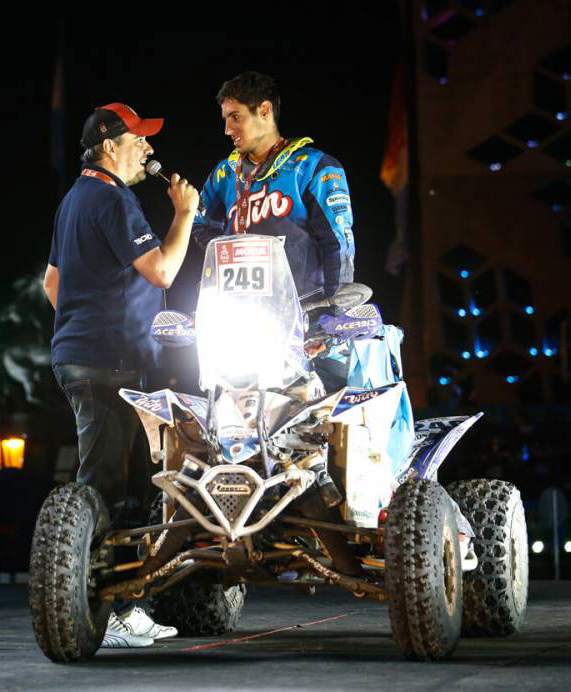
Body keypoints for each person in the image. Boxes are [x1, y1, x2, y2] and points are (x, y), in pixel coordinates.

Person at [43, 103, 198, 649]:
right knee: (106, 491)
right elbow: (162, 271)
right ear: (110, 146)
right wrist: (184, 214)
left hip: (86, 356)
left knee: (123, 485)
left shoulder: (74, 198)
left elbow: (52, 284)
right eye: (140, 140)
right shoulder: (113, 197)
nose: (149, 149)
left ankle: (122, 606)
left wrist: (84, 323)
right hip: (111, 363)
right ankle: (101, 612)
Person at [193, 71, 355, 302]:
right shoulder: (224, 172)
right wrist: (225, 253)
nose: (227, 129)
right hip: (237, 309)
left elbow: (338, 242)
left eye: (235, 117)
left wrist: (336, 304)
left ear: (265, 111)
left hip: (303, 308)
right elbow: (199, 221)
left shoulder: (313, 166)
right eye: (225, 119)